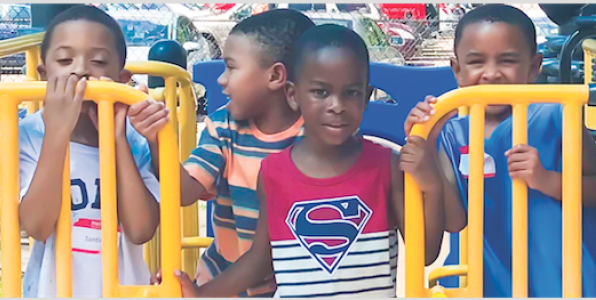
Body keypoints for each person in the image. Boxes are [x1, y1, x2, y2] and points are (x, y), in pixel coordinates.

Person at [172, 24, 450, 298]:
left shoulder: (386, 165)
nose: (337, 105)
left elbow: (424, 253)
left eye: (351, 92)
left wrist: (433, 186)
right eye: (320, 92)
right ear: (293, 95)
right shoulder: (273, 173)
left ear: (366, 97)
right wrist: (201, 294)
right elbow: (260, 259)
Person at [405, 4, 596, 297]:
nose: (492, 74)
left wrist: (547, 180)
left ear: (533, 67)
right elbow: (456, 220)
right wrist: (427, 146)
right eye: (477, 62)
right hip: (491, 282)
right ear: (457, 70)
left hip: (565, 282)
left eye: (507, 61)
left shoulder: (557, 116)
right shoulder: (451, 131)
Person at [128, 9, 316, 297]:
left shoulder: (316, 136)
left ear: (276, 75)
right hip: (222, 281)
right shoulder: (223, 126)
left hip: (293, 284)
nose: (221, 80)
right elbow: (184, 192)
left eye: (231, 67)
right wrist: (156, 139)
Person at [19, 5, 160, 297]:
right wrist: (57, 133)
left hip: (124, 290)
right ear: (44, 75)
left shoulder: (134, 138)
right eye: (65, 59)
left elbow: (141, 229)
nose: (80, 69)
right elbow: (37, 226)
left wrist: (116, 137)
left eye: (97, 61)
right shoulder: (29, 134)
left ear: (122, 80)